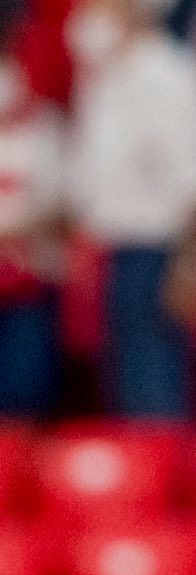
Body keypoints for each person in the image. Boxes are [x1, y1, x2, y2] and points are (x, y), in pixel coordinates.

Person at [68, 0, 196, 417]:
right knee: (119, 394)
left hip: (155, 251)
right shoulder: (107, 73)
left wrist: (191, 261)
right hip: (112, 249)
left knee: (152, 394)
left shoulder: (172, 74)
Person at [0, 5, 65, 416]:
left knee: (25, 405)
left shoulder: (42, 128)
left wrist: (21, 225)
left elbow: (65, 207)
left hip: (28, 287)